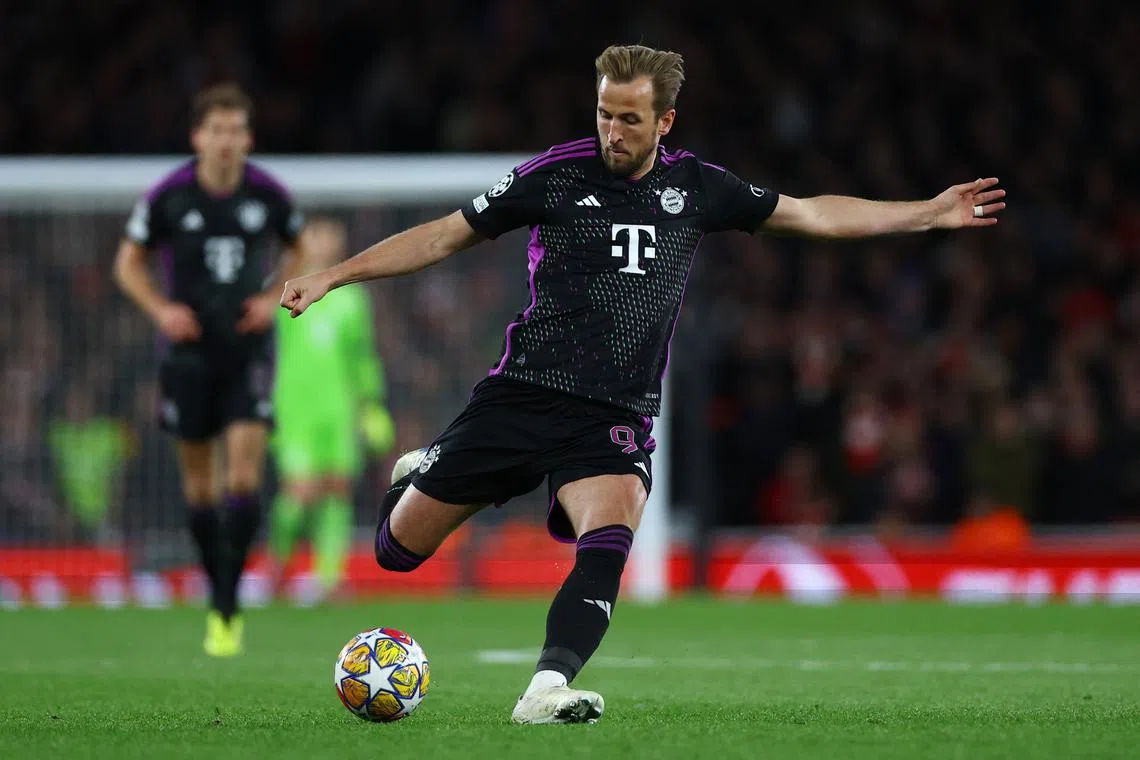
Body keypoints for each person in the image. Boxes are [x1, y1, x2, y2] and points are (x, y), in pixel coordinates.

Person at [280, 44, 1005, 723]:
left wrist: (928, 213)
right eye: (603, 113)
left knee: (614, 523)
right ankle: (426, 469)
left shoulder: (696, 188)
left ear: (664, 120)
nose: (612, 130)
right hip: (524, 393)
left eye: (629, 118)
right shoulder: (555, 174)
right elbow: (443, 234)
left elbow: (811, 213)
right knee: (395, 552)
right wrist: (334, 275)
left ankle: (546, 686)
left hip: (612, 413)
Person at [113, 82, 305, 656]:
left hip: (246, 351)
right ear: (198, 136)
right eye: (214, 130)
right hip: (188, 355)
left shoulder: (267, 193)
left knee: (243, 479)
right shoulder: (170, 195)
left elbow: (301, 248)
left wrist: (273, 296)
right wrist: (161, 309)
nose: (225, 142)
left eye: (235, 131)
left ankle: (228, 601)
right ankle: (217, 590)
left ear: (248, 138)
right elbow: (128, 263)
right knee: (200, 488)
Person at [268, 217, 395, 603]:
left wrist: (370, 404)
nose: (326, 244)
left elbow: (362, 357)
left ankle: (327, 577)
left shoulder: (353, 299)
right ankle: (274, 569)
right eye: (317, 236)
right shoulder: (286, 290)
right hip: (295, 406)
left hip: (339, 407)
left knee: (337, 488)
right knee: (300, 491)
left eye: (332, 237)